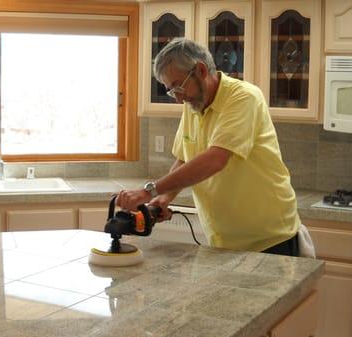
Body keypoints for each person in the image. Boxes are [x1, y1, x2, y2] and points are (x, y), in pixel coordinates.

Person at [116, 38, 300, 256]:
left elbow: (215, 159)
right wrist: (162, 200)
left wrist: (149, 191)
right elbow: (184, 159)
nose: (178, 99)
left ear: (201, 70)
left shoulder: (244, 98)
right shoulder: (193, 104)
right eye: (171, 91)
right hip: (222, 241)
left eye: (178, 87)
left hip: (269, 240)